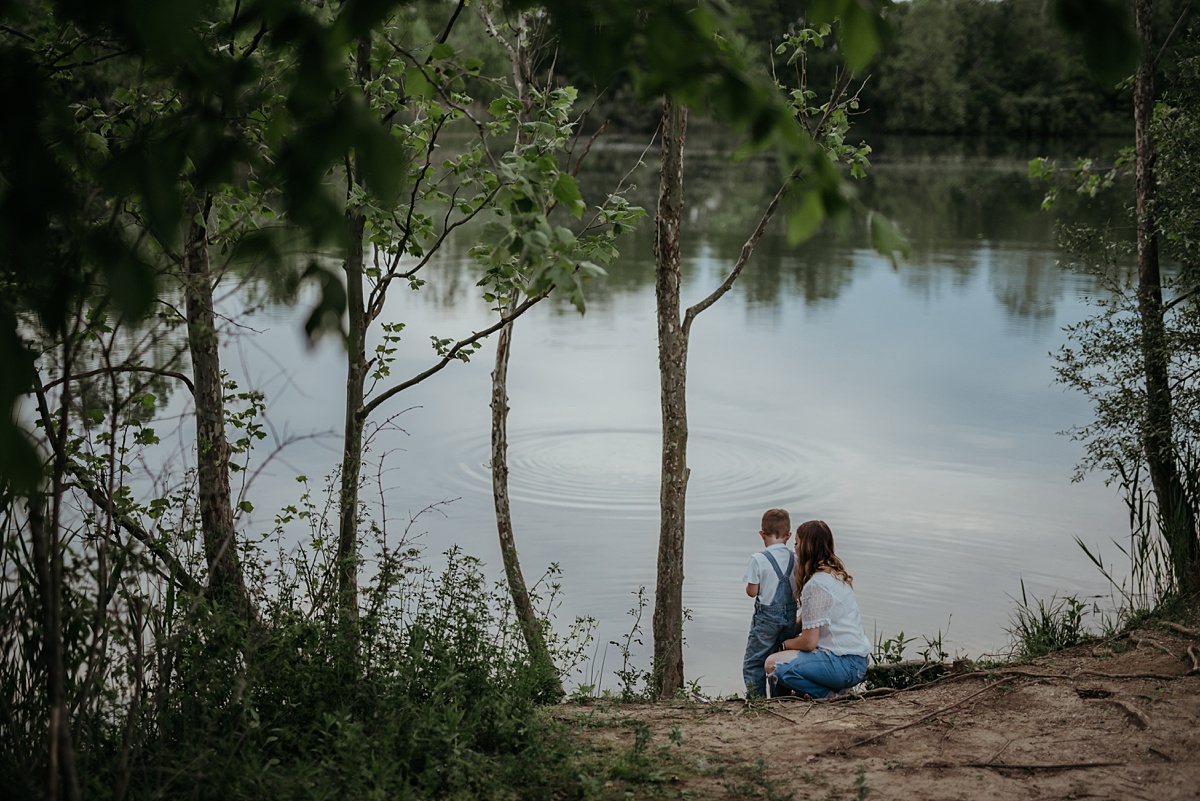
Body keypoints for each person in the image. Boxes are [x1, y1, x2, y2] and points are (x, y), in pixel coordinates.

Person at [766, 520, 871, 699]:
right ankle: (830, 691)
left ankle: (829, 696)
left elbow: (809, 642)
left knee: (772, 665)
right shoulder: (835, 575)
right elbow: (809, 620)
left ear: (806, 548)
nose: (795, 549)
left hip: (844, 665)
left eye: (797, 543)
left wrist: (782, 645)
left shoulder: (816, 585)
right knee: (786, 656)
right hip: (858, 662)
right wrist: (783, 628)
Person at [742, 508, 798, 698]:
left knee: (755, 662)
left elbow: (752, 592)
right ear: (789, 535)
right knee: (780, 658)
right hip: (789, 618)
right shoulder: (795, 558)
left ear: (761, 534)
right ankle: (780, 698)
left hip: (766, 620)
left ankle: (756, 701)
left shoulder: (758, 559)